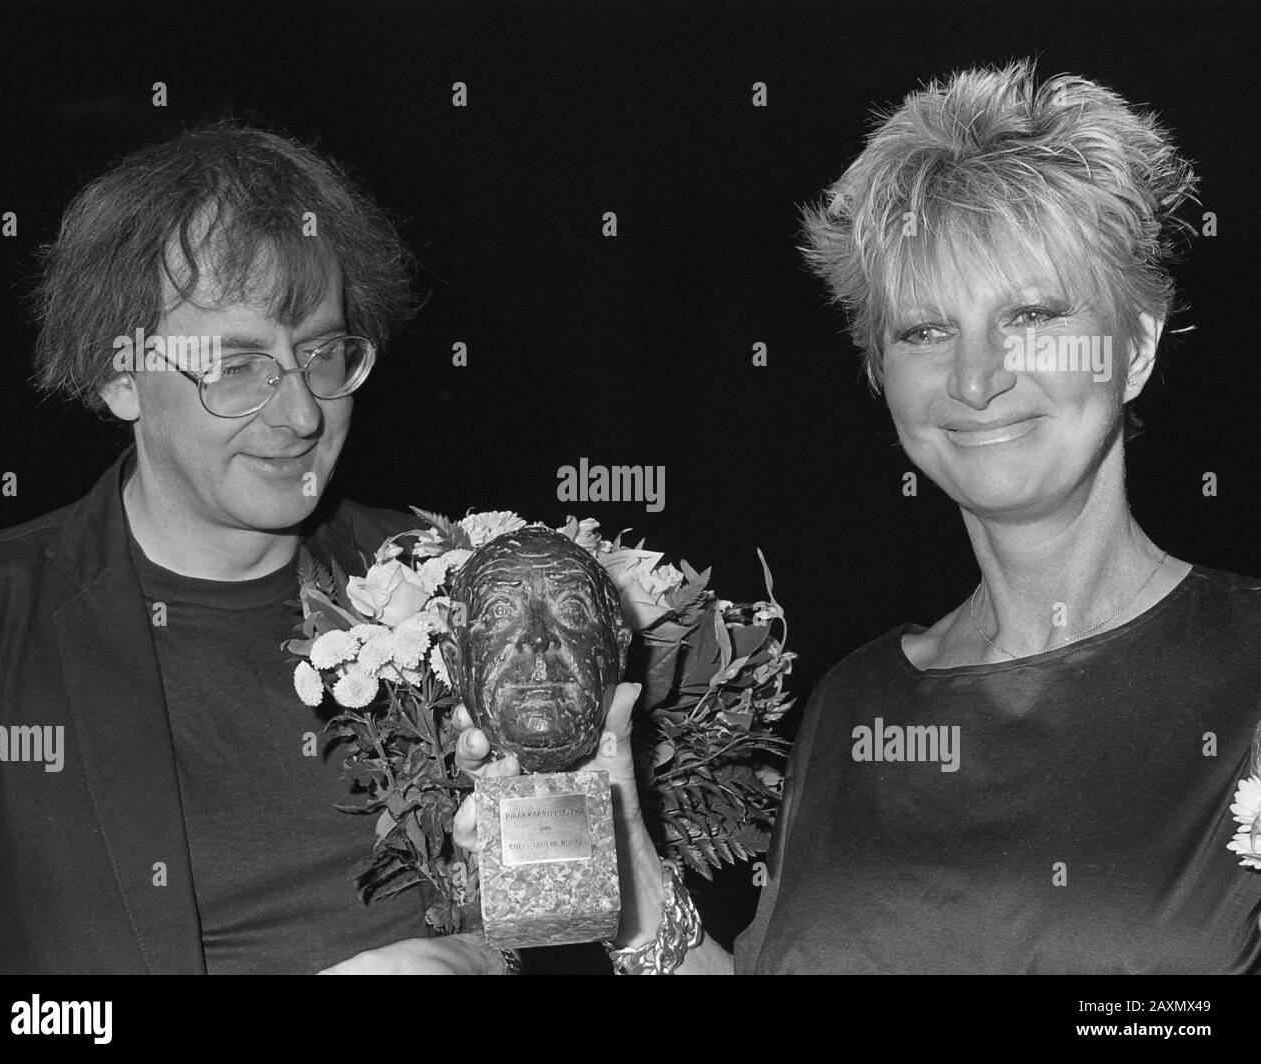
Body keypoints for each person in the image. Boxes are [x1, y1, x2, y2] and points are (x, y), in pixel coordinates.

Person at [456, 60, 1261, 974]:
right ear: (881, 372)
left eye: (1031, 315)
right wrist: (627, 865)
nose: (975, 378)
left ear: (1137, 349)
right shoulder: (858, 704)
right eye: (925, 330)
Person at [0, 122, 508, 974]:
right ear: (119, 377)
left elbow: (565, 912)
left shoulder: (449, 582)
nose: (301, 415)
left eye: (322, 353)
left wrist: (477, 953)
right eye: (235, 364)